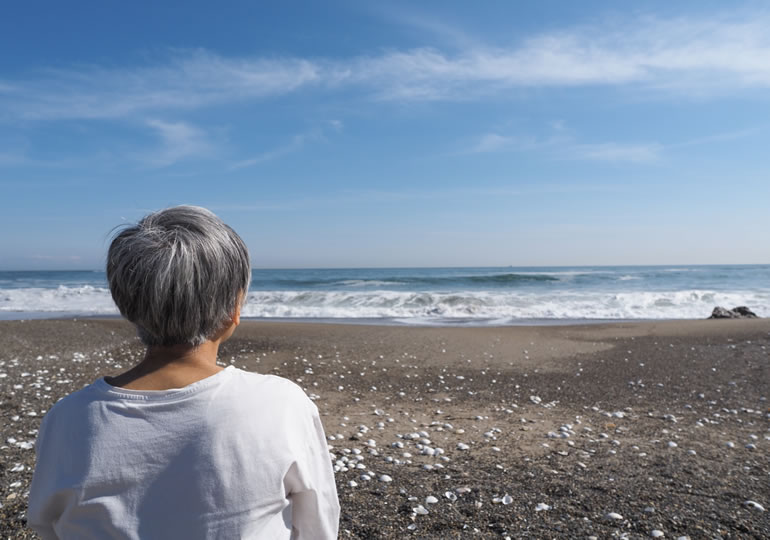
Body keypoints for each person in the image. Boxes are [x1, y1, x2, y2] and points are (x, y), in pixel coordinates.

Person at [28, 205, 340, 539]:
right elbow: (317, 523)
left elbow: (47, 523)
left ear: (127, 302)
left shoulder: (68, 418)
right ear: (234, 307)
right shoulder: (280, 404)